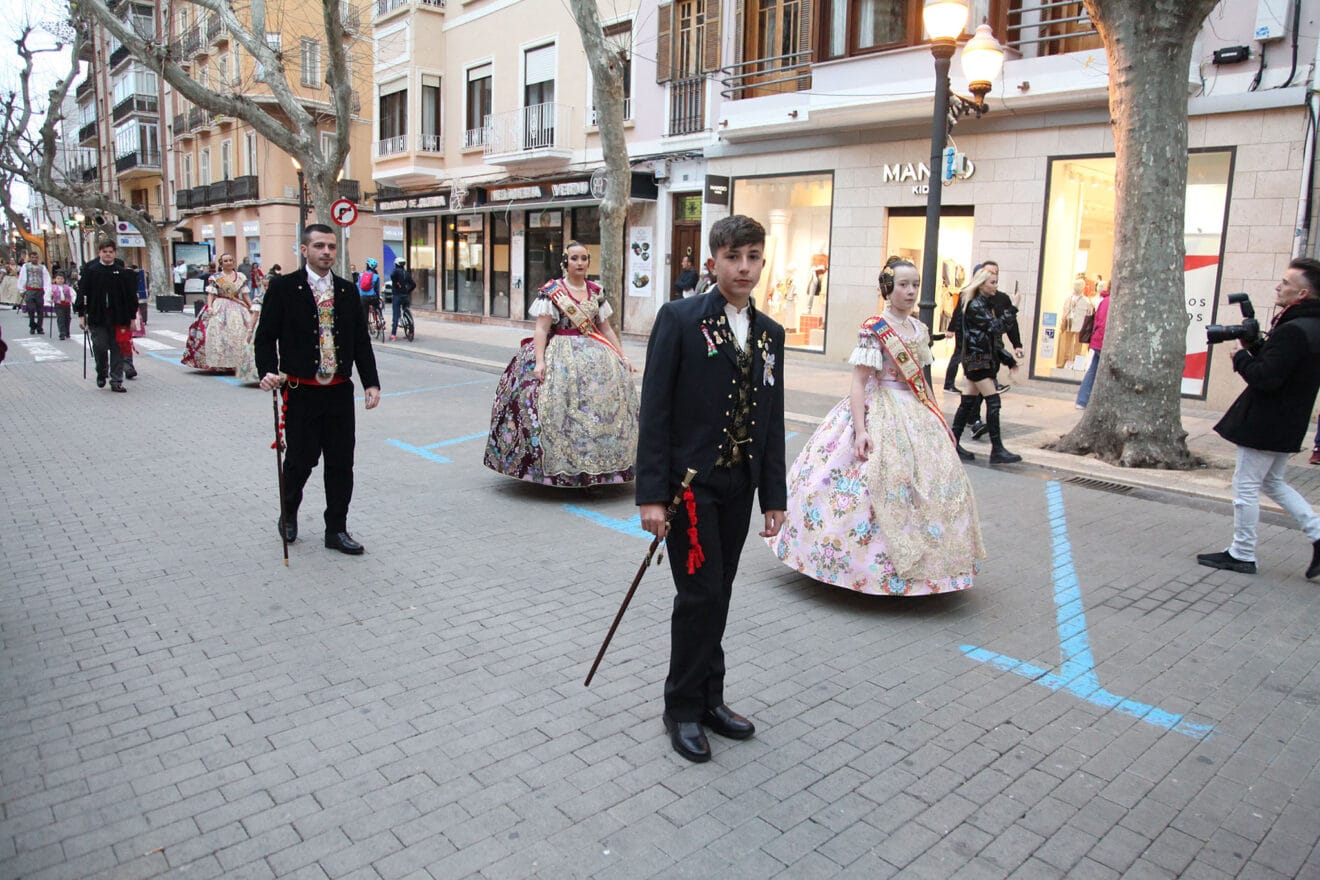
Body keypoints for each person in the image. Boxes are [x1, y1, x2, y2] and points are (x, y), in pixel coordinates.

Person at [636, 215, 787, 763]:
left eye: (753, 257)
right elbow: (654, 412)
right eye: (733, 257)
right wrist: (652, 496)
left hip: (737, 487)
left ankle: (710, 699)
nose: (744, 268)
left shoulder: (771, 334)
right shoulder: (679, 319)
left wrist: (774, 496)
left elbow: (772, 419)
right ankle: (681, 708)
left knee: (718, 593)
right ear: (713, 262)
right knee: (699, 595)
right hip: (689, 488)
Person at [768, 257, 984, 595]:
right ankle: (856, 567)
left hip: (914, 413)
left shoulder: (920, 329)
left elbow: (922, 381)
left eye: (915, 284)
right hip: (878, 406)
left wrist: (938, 418)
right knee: (871, 485)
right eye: (903, 284)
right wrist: (860, 429)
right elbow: (859, 382)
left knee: (926, 487)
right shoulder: (874, 327)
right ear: (888, 288)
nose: (911, 291)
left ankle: (928, 568)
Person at [255, 224, 381, 556]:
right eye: (319, 246)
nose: (326, 252)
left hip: (339, 393)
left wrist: (371, 382)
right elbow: (265, 336)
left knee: (341, 464)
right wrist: (268, 370)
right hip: (301, 392)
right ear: (304, 249)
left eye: (331, 247)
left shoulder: (347, 290)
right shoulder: (283, 288)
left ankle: (336, 529)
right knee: (300, 461)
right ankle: (289, 511)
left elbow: (360, 341)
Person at [1197, 258, 1320, 579]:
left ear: (1303, 294)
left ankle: (1242, 553)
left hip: (1267, 422)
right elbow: (1283, 366)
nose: (1279, 287)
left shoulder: (1294, 329)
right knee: (1273, 483)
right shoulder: (1310, 326)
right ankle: (1318, 535)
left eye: (1286, 283)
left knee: (1247, 485)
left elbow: (1267, 377)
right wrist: (1256, 346)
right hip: (1287, 420)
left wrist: (1240, 358)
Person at [484, 242, 638, 486]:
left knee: (601, 412)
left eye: (584, 258)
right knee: (556, 410)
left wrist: (622, 355)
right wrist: (540, 360)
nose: (579, 263)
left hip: (596, 357)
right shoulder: (552, 291)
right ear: (565, 261)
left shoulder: (596, 291)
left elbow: (605, 327)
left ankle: (598, 469)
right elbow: (541, 328)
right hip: (560, 354)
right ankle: (558, 470)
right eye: (574, 258)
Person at [949, 265, 1024, 464]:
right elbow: (995, 328)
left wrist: (1007, 359)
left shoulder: (981, 304)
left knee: (967, 403)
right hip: (977, 361)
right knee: (993, 401)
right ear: (982, 285)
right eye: (993, 283)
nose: (996, 286)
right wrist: (1013, 307)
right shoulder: (975, 305)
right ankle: (997, 449)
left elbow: (991, 336)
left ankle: (953, 443)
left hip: (978, 359)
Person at [74, 240, 139, 392]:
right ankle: (102, 371)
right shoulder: (91, 271)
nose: (108, 254)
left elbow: (130, 297)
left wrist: (132, 318)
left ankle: (116, 380)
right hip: (98, 316)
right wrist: (82, 315)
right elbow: (82, 294)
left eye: (110, 251)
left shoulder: (122, 272)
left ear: (114, 253)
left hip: (119, 317)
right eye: (105, 251)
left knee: (118, 348)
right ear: (100, 253)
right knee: (100, 346)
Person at [181, 253, 253, 372]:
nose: (229, 262)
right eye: (226, 261)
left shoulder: (240, 276)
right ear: (221, 263)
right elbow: (211, 293)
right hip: (220, 304)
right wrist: (209, 307)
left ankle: (237, 362)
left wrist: (251, 306)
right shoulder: (216, 277)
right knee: (217, 334)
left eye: (230, 260)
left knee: (238, 334)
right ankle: (220, 363)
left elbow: (245, 294)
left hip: (237, 307)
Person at [1074, 280, 1112, 409]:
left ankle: (1082, 400)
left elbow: (1097, 321)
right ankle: (1102, 403)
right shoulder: (1115, 302)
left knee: (1093, 369)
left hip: (1097, 340)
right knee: (1109, 372)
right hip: (1105, 341)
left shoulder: (1104, 301)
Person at [17, 252, 50, 335]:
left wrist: (47, 290)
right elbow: (22, 277)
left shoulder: (42, 267)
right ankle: (32, 325)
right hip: (29, 290)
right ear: (30, 258)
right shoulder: (26, 266)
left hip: (39, 290)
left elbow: (46, 279)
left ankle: (39, 327)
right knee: (31, 309)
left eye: (36, 257)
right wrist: (21, 289)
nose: (34, 259)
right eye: (32, 257)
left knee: (40, 310)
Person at [389, 261, 416, 341]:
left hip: (397, 296)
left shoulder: (396, 272)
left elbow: (392, 276)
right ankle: (411, 332)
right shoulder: (407, 273)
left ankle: (393, 334)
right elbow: (413, 285)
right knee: (406, 310)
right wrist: (408, 291)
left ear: (396, 264)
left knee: (396, 315)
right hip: (405, 296)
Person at [50, 270, 74, 340]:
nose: (60, 280)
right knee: (61, 318)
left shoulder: (67, 287)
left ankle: (67, 331)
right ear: (55, 279)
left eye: (61, 279)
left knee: (67, 318)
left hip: (67, 304)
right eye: (58, 279)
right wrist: (50, 299)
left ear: (64, 280)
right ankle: (62, 333)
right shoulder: (53, 287)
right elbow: (48, 294)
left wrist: (74, 301)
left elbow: (72, 295)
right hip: (58, 304)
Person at [357, 258, 381, 326]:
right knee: (376, 305)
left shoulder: (361, 275)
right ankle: (380, 319)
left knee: (365, 314)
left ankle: (365, 329)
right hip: (372, 297)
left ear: (367, 265)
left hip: (363, 297)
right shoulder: (376, 276)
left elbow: (358, 286)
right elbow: (377, 289)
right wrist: (378, 297)